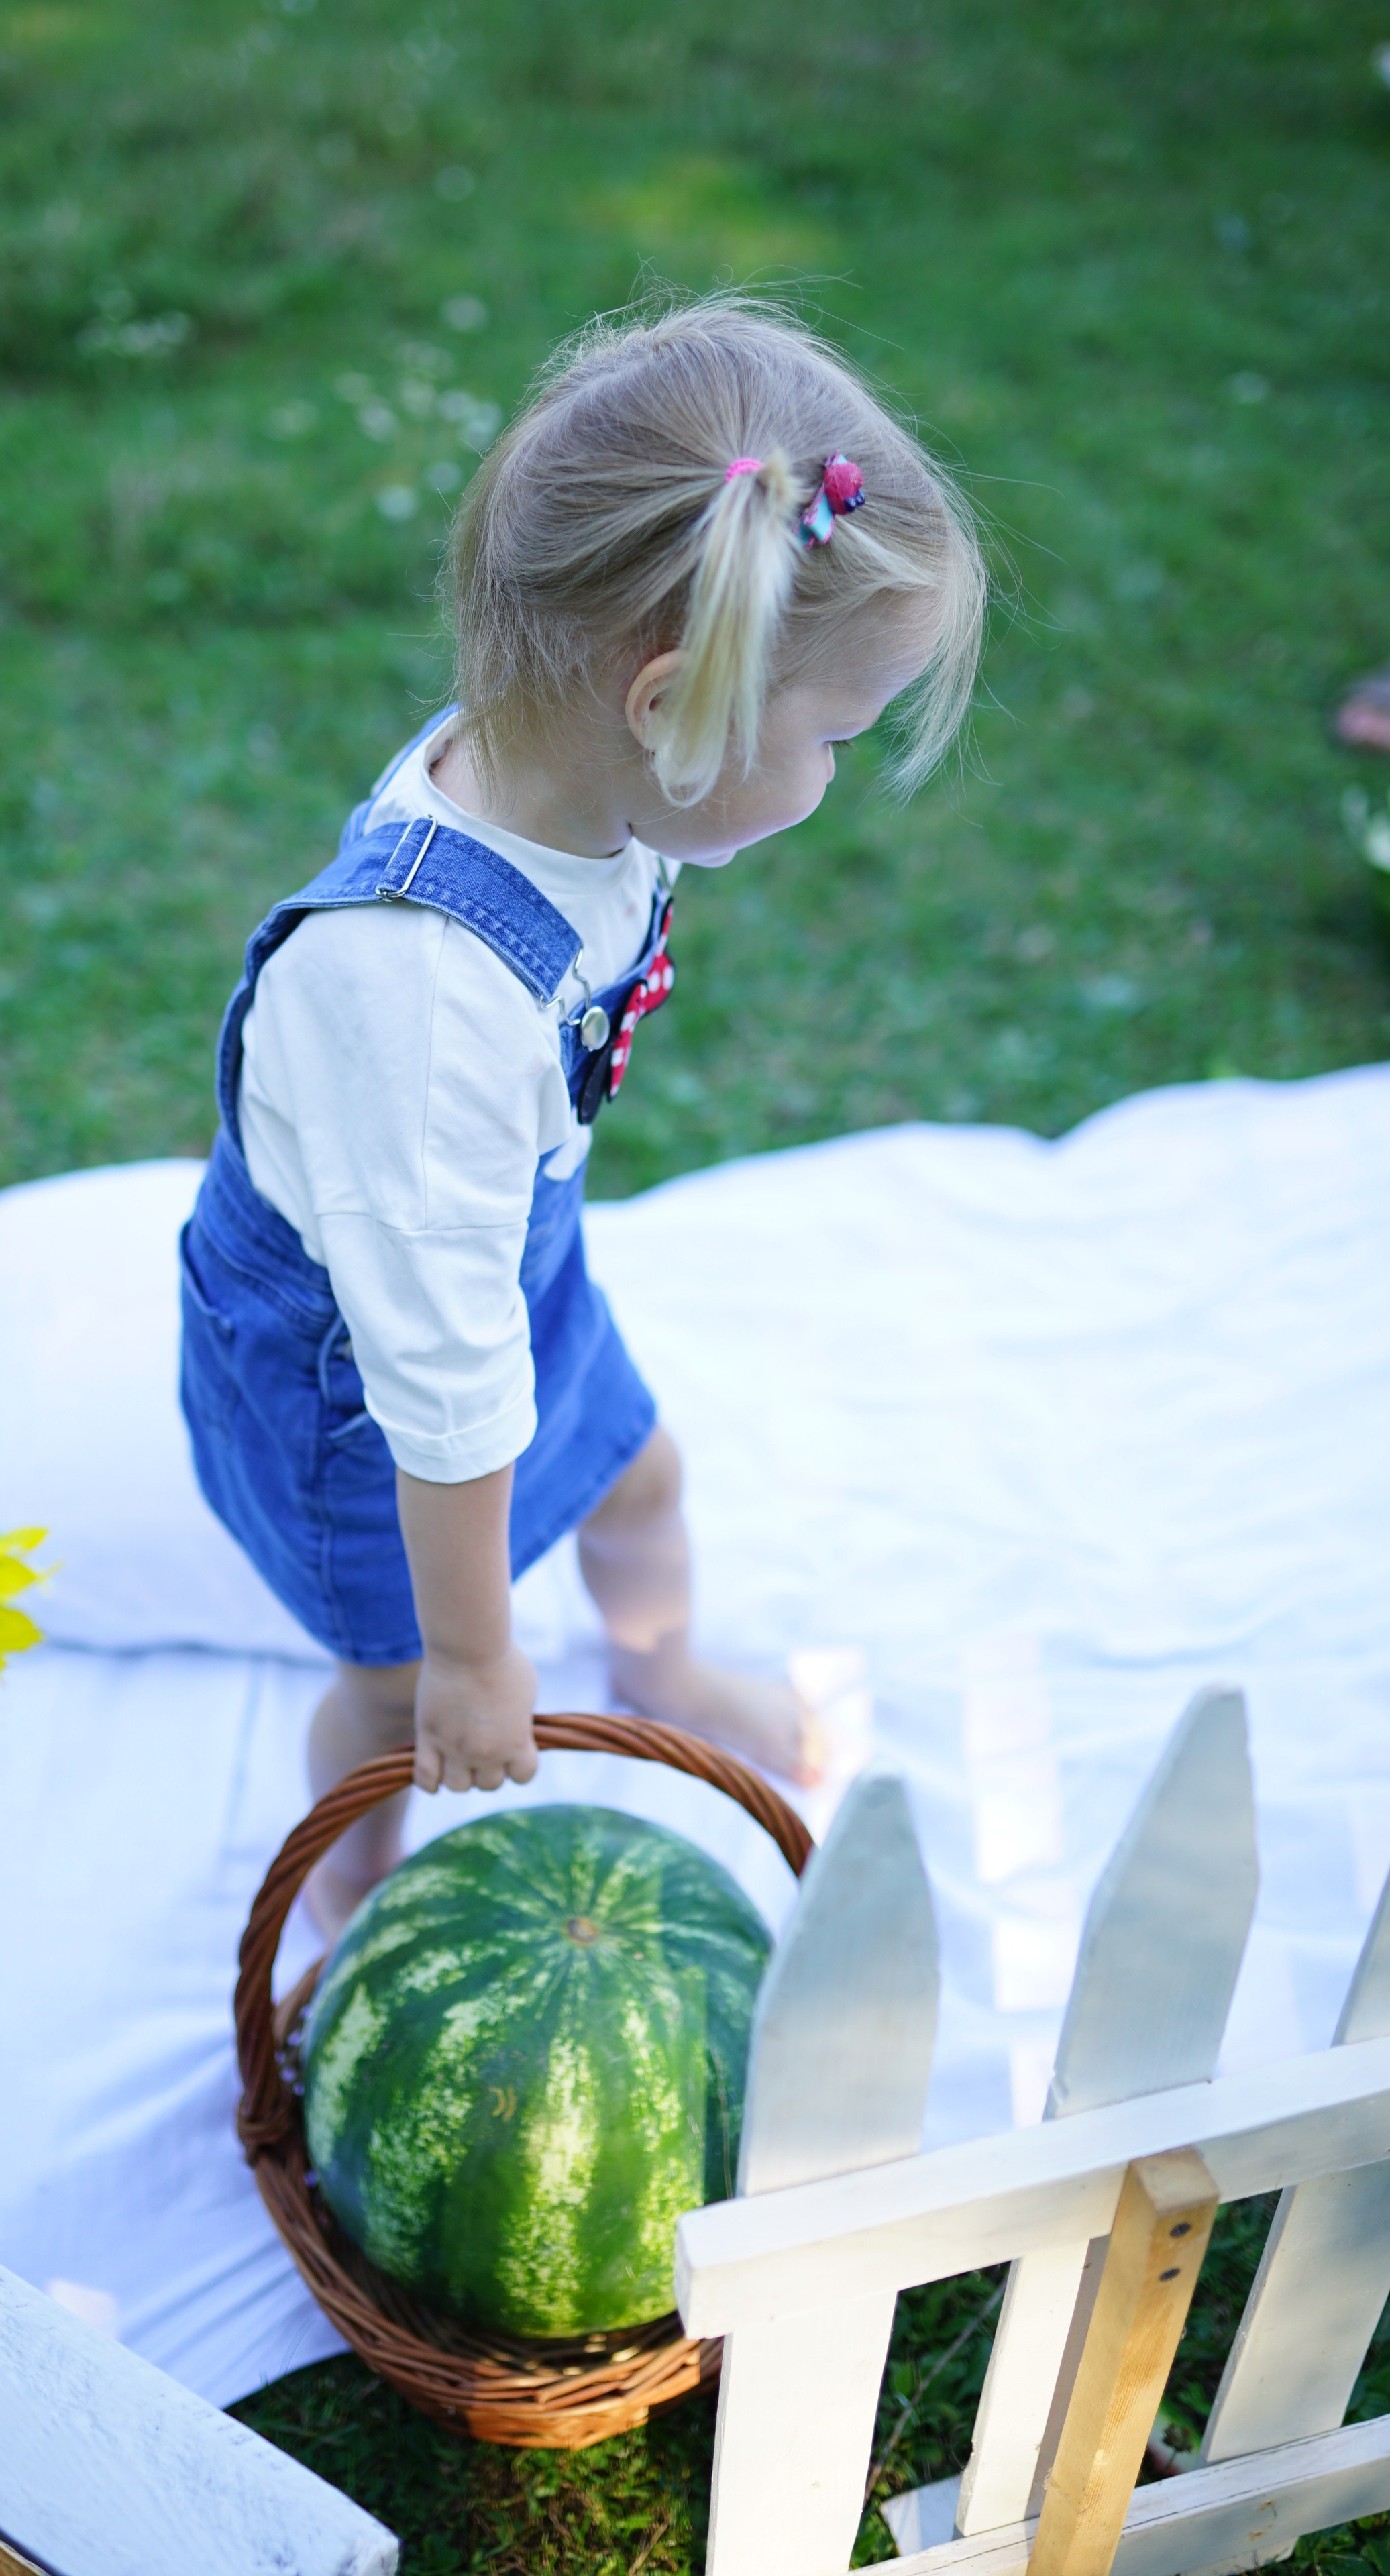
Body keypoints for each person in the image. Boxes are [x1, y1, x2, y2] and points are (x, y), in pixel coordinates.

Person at [180, 298, 987, 1929]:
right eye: (832, 734)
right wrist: (478, 1656)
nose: (836, 775)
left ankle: (660, 1660)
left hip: (493, 1257)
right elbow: (441, 1382)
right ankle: (351, 1909)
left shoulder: (565, 791)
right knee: (385, 1676)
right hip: (356, 1377)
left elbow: (484, 1281)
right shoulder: (419, 1009)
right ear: (669, 705)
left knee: (636, 1474)